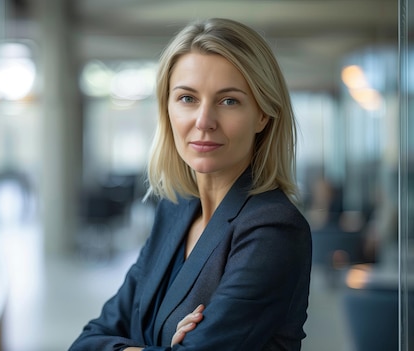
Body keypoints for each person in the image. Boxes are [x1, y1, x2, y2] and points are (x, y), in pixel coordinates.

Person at [68, 18, 312, 351]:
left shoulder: (272, 229)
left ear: (263, 114)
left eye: (229, 101)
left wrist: (138, 341)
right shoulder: (174, 211)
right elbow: (87, 341)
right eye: (187, 98)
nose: (204, 121)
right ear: (167, 109)